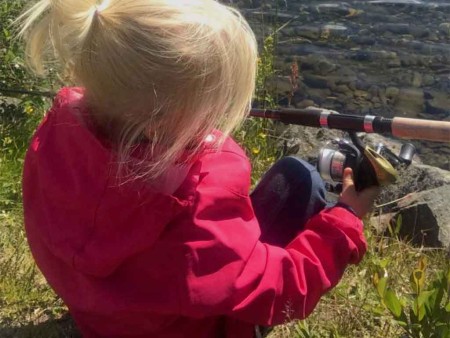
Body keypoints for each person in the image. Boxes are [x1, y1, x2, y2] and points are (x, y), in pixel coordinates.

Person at [19, 0, 379, 337]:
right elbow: (282, 292)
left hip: (108, 318)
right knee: (303, 179)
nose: (217, 121)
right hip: (199, 326)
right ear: (161, 120)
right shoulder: (192, 217)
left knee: (295, 177)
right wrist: (345, 221)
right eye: (210, 107)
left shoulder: (53, 144)